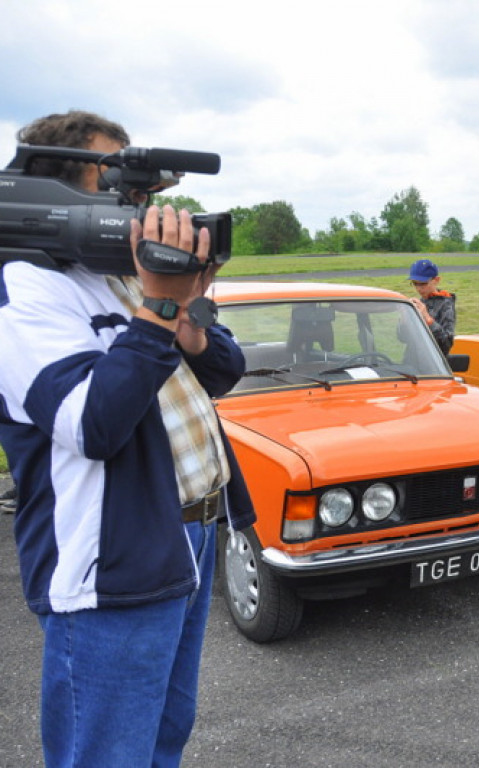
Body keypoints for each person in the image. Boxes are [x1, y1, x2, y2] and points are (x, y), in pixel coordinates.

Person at [0, 110, 255, 766]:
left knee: (164, 733)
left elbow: (223, 370)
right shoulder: (25, 291)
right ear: (54, 189)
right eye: (118, 188)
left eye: (142, 196)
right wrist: (160, 306)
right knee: (107, 752)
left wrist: (186, 307)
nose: (138, 210)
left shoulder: (119, 272)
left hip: (188, 536)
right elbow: (92, 424)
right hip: (111, 560)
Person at [407, 258, 456, 354]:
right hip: (413, 360)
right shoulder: (420, 302)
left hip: (432, 363)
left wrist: (428, 320)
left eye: (423, 284)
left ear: (436, 280)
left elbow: (446, 344)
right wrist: (404, 319)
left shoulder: (446, 304)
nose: (418, 288)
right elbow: (403, 339)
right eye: (415, 283)